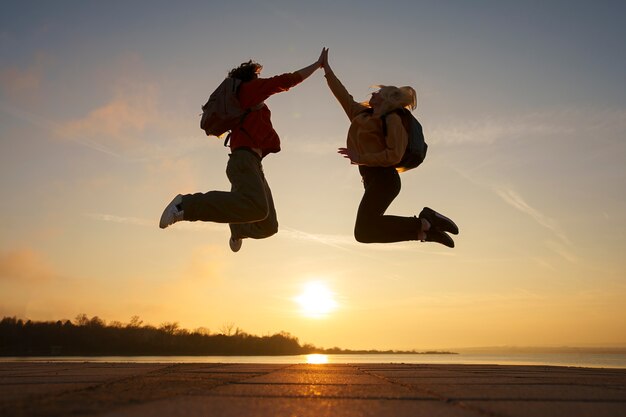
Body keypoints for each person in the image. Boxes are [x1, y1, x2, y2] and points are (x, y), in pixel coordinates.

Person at [160, 49, 327, 252]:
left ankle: (238, 229)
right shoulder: (249, 91)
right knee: (256, 207)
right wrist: (317, 65)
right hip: (243, 161)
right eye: (257, 75)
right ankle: (185, 205)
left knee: (269, 225)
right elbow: (288, 80)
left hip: (253, 164)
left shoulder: (248, 100)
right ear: (251, 76)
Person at [321, 49, 459, 247]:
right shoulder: (362, 115)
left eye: (378, 92)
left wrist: (361, 157)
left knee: (363, 230)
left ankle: (426, 221)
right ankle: (425, 231)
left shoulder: (393, 119)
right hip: (371, 179)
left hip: (385, 180)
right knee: (365, 233)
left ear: (386, 99)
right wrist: (326, 69)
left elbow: (395, 155)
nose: (373, 93)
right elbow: (342, 95)